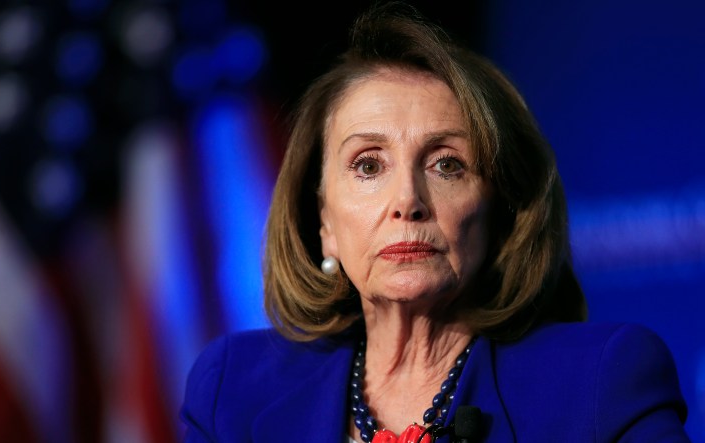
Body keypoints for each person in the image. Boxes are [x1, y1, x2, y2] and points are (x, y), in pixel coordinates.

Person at [179, 1, 691, 442]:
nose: (408, 200)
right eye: (368, 165)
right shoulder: (233, 390)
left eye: (447, 164)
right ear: (323, 222)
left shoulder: (601, 384)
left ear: (502, 210)